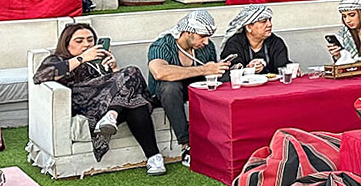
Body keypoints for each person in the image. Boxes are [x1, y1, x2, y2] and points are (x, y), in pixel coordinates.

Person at [36, 22, 164, 174]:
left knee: (136, 103)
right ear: (67, 43)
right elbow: (40, 76)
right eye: (79, 41)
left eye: (90, 40)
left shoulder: (98, 62)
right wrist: (81, 58)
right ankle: (112, 116)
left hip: (108, 103)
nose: (86, 44)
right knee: (132, 72)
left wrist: (115, 70)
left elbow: (115, 86)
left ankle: (153, 158)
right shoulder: (58, 59)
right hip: (83, 103)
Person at [147, 10, 228, 166]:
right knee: (170, 86)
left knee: (225, 77)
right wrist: (204, 69)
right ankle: (187, 145)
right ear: (188, 32)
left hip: (196, 88)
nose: (206, 41)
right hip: (165, 94)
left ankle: (223, 136)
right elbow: (159, 72)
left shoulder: (206, 47)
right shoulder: (162, 45)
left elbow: (211, 73)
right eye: (202, 36)